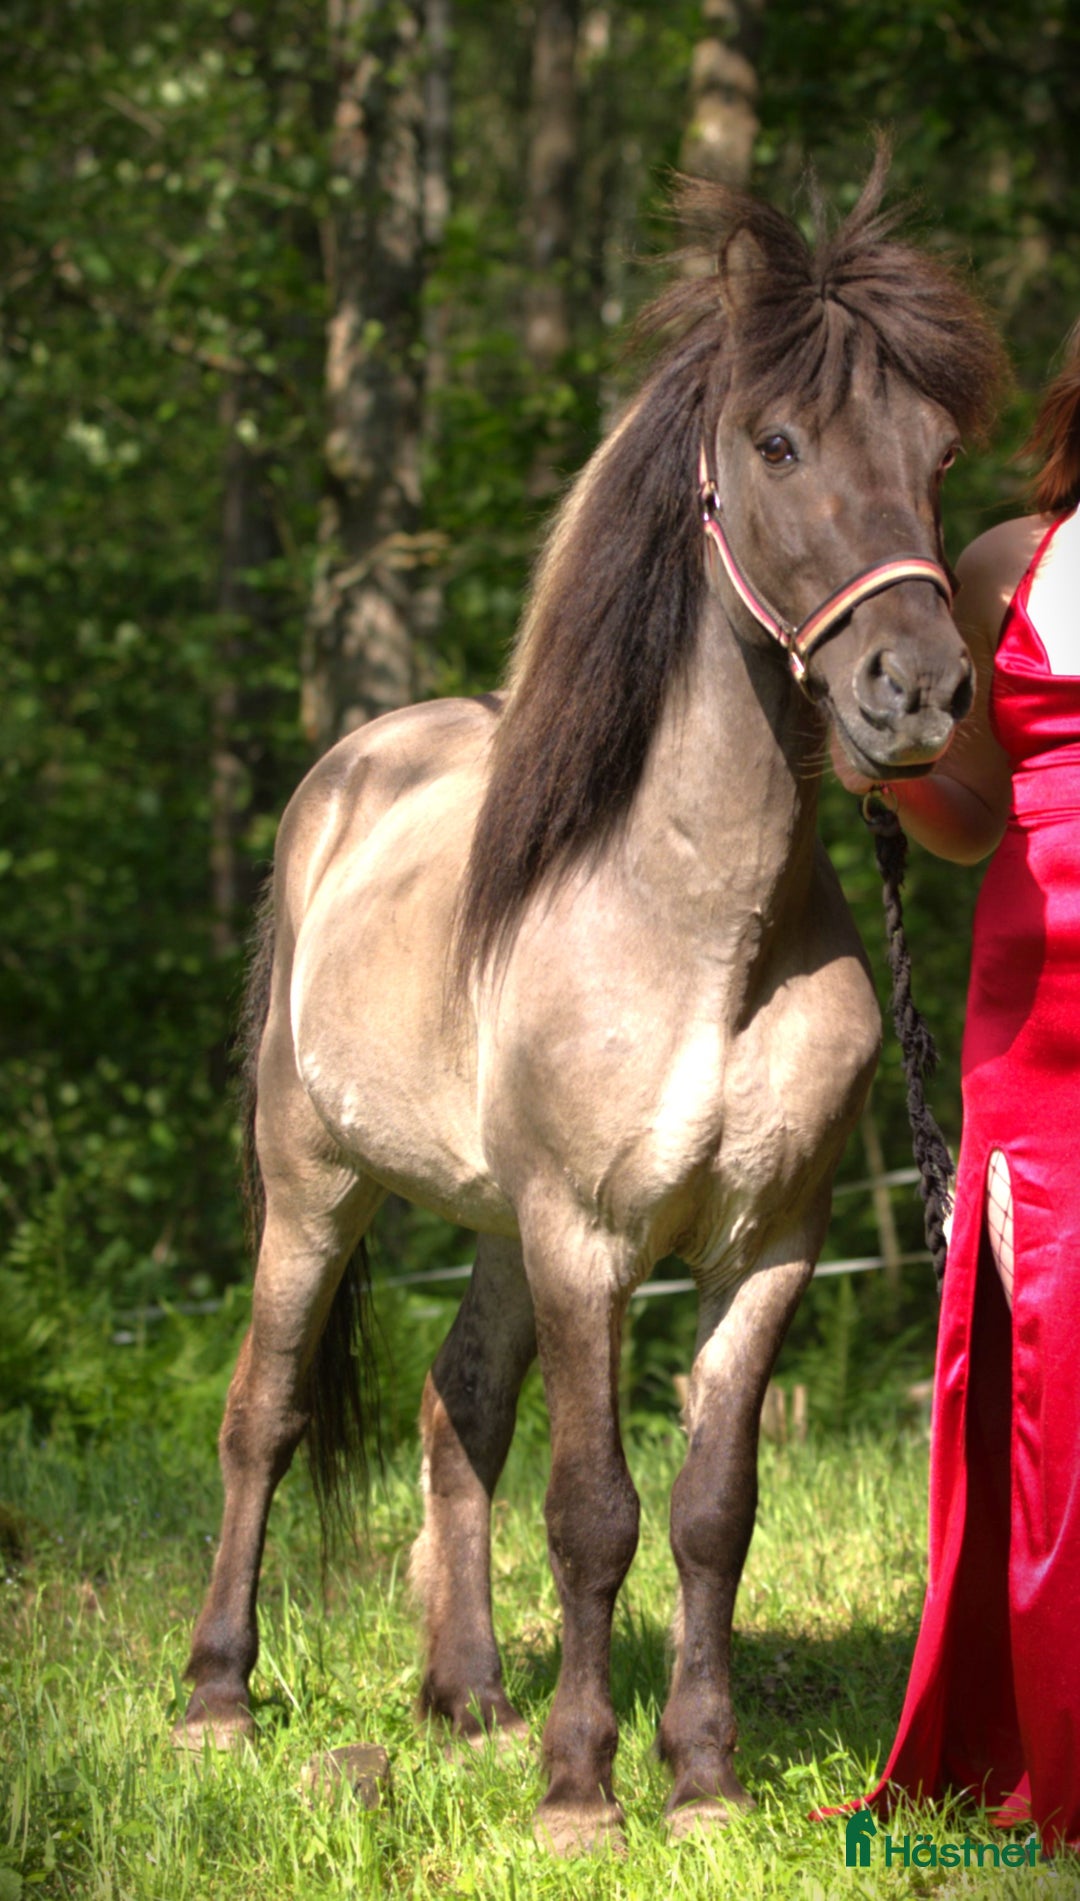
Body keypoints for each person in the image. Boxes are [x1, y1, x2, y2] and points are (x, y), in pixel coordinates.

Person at [833, 318, 1080, 1854]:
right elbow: (975, 816)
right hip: (1034, 1022)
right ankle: (1034, 1736)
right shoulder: (1002, 561)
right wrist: (892, 769)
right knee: (1046, 1378)